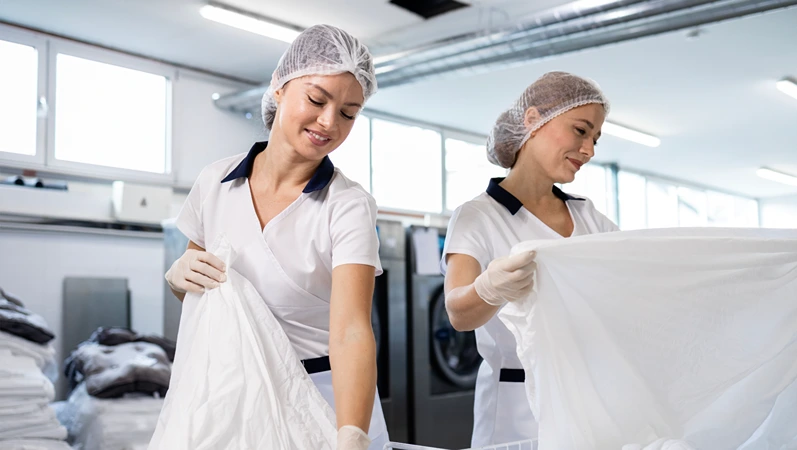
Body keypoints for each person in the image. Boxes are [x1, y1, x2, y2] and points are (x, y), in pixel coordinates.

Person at [163, 24, 386, 450]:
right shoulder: (215, 182)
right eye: (317, 99)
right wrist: (178, 277)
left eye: (348, 113)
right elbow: (200, 292)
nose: (328, 122)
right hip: (235, 393)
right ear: (279, 87)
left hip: (324, 399)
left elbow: (352, 330)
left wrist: (351, 433)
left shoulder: (348, 204)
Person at [442, 71, 619, 447]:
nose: (589, 150)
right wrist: (490, 288)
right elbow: (458, 314)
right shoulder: (479, 216)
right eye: (580, 130)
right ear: (533, 119)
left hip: (590, 401)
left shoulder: (593, 220)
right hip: (514, 405)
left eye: (595, 139)